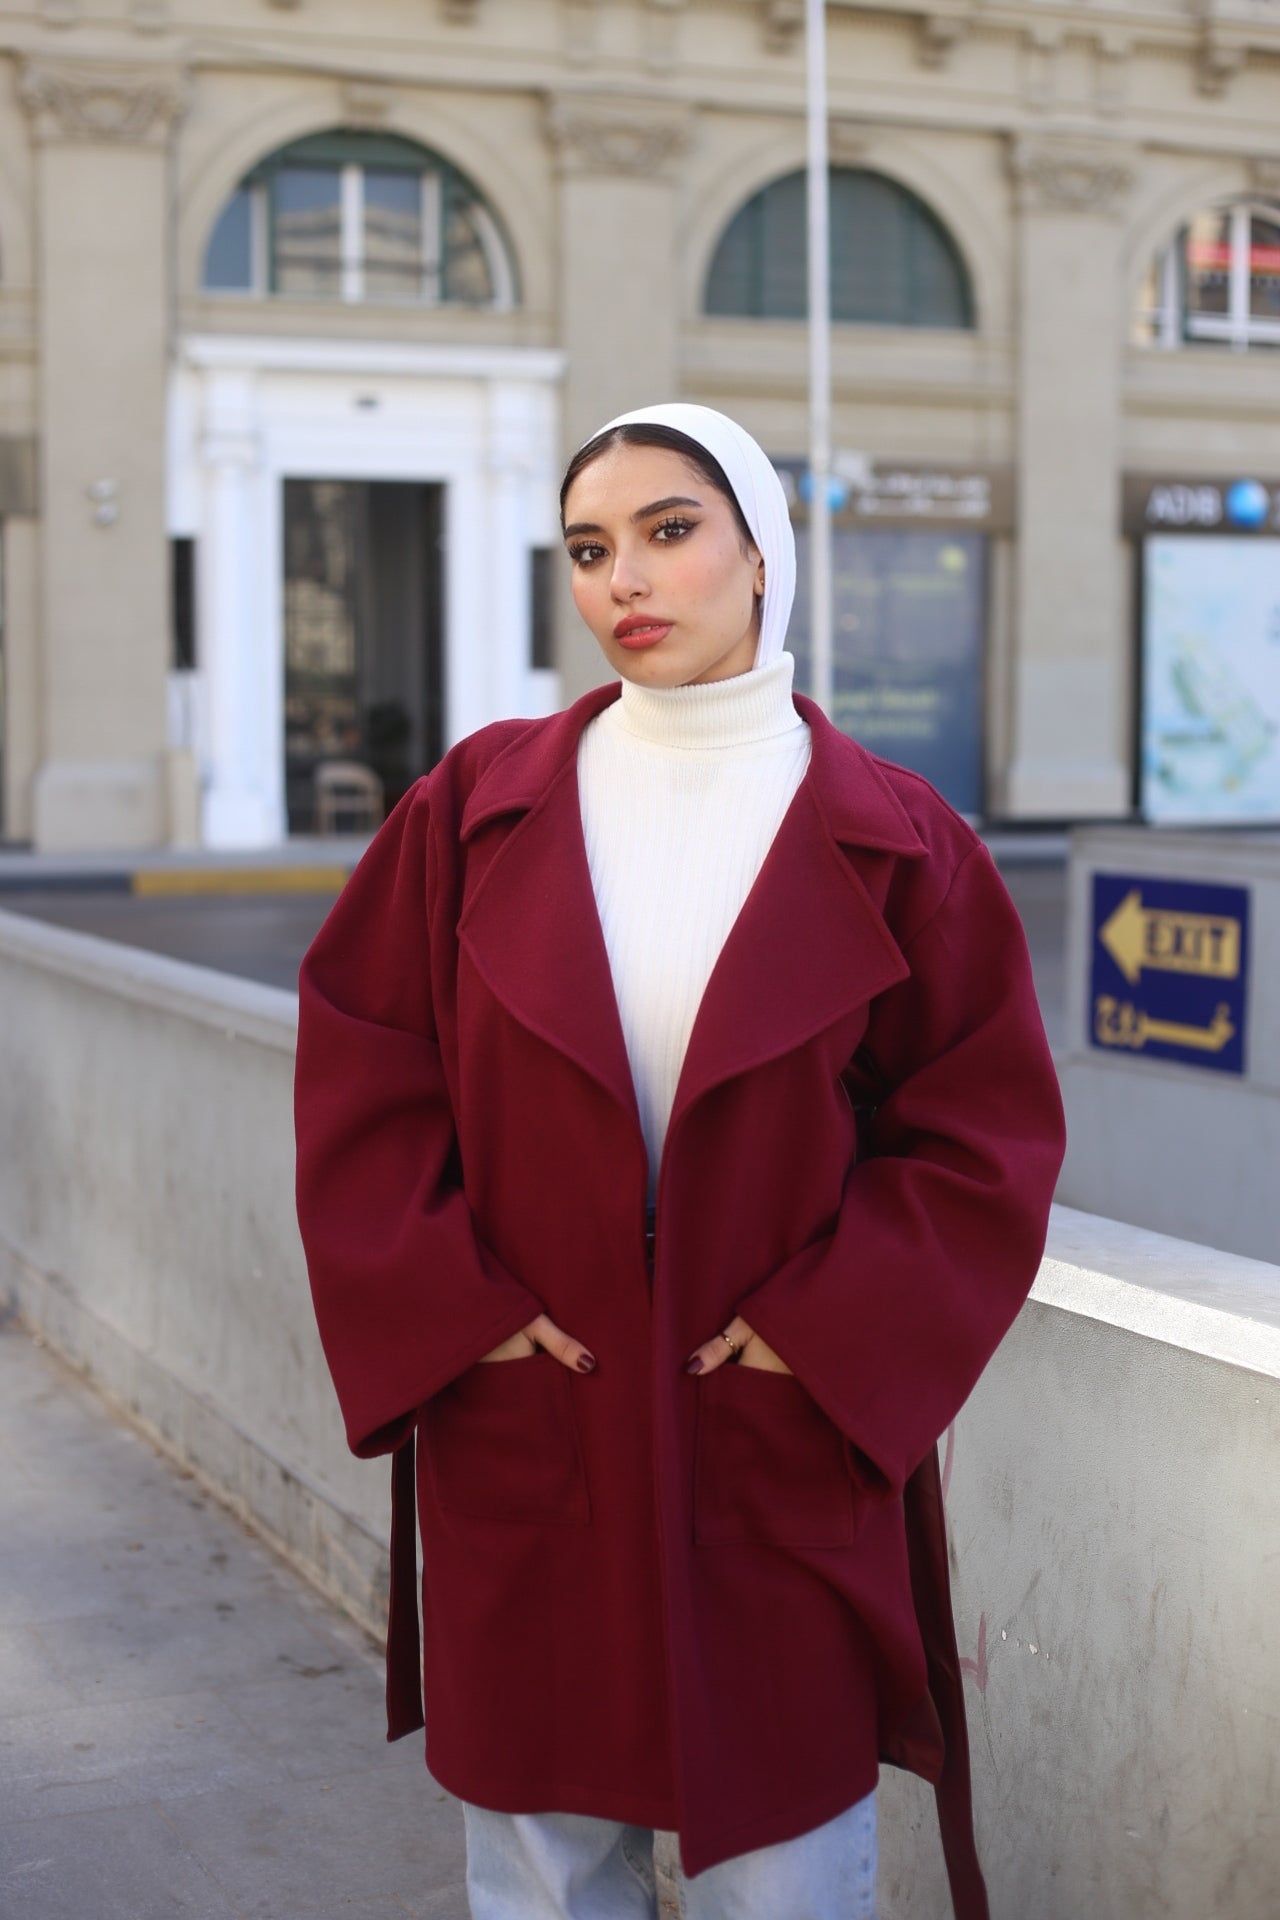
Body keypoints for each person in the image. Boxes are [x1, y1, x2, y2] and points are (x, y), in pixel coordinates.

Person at [294, 402, 1065, 1920]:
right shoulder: (469, 812)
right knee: (538, 1872)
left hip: (769, 1443)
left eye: (668, 532)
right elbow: (363, 1074)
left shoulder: (904, 842)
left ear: (762, 554)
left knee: (785, 1875)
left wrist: (821, 1337)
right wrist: (464, 1315)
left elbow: (981, 1137)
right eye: (590, 548)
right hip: (531, 1425)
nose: (623, 581)